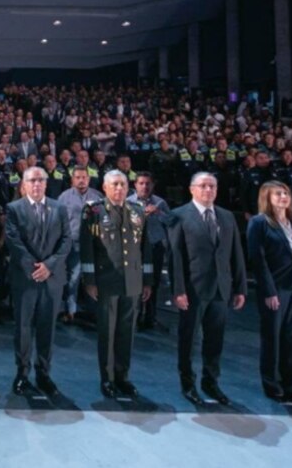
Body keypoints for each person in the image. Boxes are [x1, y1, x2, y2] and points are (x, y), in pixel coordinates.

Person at [167, 172, 247, 406]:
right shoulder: (178, 215)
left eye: (212, 186)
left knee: (215, 340)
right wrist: (178, 290)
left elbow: (236, 254)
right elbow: (175, 257)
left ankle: (211, 382)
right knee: (189, 339)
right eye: (203, 186)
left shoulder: (227, 216)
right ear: (192, 189)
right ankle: (188, 383)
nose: (208, 190)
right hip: (193, 289)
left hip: (221, 290)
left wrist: (240, 287)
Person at [80, 170, 153, 399]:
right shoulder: (94, 211)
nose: (120, 188)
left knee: (126, 332)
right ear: (105, 187)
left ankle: (123, 377)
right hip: (106, 281)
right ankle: (107, 378)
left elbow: (145, 249)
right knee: (107, 332)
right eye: (115, 184)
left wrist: (147, 280)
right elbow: (87, 247)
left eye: (123, 184)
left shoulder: (137, 211)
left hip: (132, 281)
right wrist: (89, 280)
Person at [246, 181, 292, 405]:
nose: (283, 197)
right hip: (275, 289)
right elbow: (258, 260)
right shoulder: (259, 223)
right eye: (277, 193)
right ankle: (272, 385)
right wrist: (269, 291)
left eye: (285, 193)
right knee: (273, 338)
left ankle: (291, 385)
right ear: (266, 198)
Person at [5, 166, 71, 398]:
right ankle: (22, 374)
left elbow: (66, 241)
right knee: (23, 328)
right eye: (32, 180)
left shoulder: (59, 208)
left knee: (47, 328)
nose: (37, 184)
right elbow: (14, 242)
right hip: (25, 279)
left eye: (41, 180)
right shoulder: (13, 209)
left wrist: (49, 266)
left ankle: (44, 374)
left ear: (46, 183)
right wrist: (36, 267)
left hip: (52, 280)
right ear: (24, 185)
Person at [56, 165, 103, 325]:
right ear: (72, 179)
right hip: (73, 244)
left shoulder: (98, 196)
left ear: (89, 179)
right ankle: (70, 311)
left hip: (94, 245)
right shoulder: (64, 197)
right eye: (78, 177)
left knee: (93, 278)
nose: (81, 180)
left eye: (84, 177)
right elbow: (58, 222)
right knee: (73, 278)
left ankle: (93, 311)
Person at [127, 172, 169, 330]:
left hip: (155, 247)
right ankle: (135, 317)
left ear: (152, 185)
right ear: (135, 185)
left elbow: (171, 221)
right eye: (141, 183)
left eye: (148, 183)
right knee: (135, 282)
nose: (145, 186)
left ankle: (151, 317)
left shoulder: (160, 203)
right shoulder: (127, 202)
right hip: (135, 248)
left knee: (154, 283)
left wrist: (158, 213)